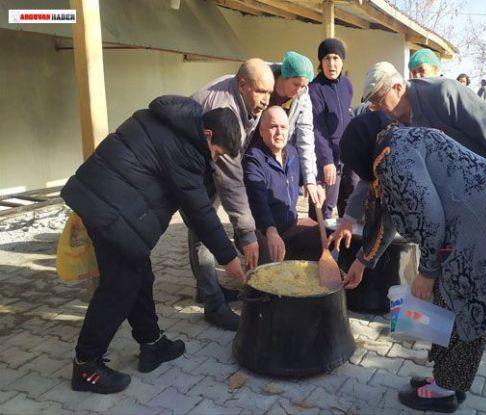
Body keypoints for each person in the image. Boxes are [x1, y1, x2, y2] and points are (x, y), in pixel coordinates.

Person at [338, 112, 486, 413]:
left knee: (468, 305)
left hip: (485, 220)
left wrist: (427, 271)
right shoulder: (397, 143)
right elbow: (392, 214)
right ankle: (445, 378)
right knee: (450, 298)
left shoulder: (393, 158)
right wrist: (363, 262)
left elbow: (429, 216)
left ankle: (445, 391)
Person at [332, 61, 486, 354]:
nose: (376, 108)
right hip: (456, 206)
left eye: (377, 99)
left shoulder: (443, 93)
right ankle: (448, 366)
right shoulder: (391, 130)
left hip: (485, 196)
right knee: (462, 282)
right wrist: (360, 248)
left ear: (398, 86)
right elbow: (385, 193)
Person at [61, 96, 246, 394]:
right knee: (118, 289)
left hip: (104, 201)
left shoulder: (167, 122)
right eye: (217, 152)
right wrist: (230, 259)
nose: (214, 158)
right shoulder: (186, 149)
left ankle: (151, 344)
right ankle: (86, 366)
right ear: (207, 134)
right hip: (110, 210)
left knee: (140, 275)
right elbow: (199, 210)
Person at [189, 58, 274, 329]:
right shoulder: (224, 111)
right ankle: (213, 305)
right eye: (261, 92)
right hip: (192, 169)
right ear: (242, 85)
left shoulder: (245, 96)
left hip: (208, 164)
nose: (266, 100)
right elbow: (231, 181)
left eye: (270, 93)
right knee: (203, 231)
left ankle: (207, 288)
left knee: (203, 230)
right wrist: (246, 233)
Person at [243, 106, 322, 263]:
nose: (279, 132)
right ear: (261, 130)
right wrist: (270, 230)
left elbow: (303, 179)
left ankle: (297, 273)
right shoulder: (253, 159)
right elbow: (258, 202)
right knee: (268, 261)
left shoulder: (292, 152)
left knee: (324, 235)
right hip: (261, 229)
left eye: (283, 127)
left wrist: (317, 185)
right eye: (273, 127)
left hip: (290, 226)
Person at [268, 51, 324, 205]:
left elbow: (305, 137)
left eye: (304, 86)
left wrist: (310, 179)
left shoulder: (303, 98)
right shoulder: (264, 84)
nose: (299, 90)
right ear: (284, 77)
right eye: (296, 84)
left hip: (279, 151)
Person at [309, 38, 354, 219]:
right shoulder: (315, 89)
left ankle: (349, 247)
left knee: (351, 206)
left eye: (336, 58)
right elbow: (318, 130)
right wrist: (327, 161)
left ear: (342, 61)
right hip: (327, 159)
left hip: (348, 157)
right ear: (321, 61)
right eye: (327, 58)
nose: (332, 64)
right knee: (324, 207)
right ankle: (317, 245)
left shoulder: (347, 85)